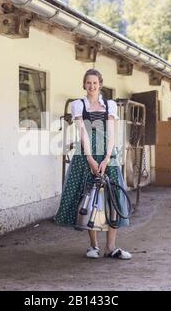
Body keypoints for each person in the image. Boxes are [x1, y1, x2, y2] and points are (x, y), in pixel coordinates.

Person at [54, 69, 132, 260]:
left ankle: (111, 247)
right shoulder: (78, 105)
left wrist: (106, 158)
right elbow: (83, 132)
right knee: (89, 197)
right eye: (88, 83)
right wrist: (90, 158)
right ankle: (94, 246)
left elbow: (112, 133)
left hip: (108, 155)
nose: (92, 86)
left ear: (100, 84)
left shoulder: (110, 105)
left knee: (113, 197)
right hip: (85, 155)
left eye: (95, 83)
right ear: (84, 84)